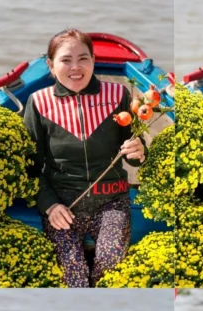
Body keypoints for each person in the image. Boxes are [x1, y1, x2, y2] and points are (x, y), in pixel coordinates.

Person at [23, 29, 146, 287]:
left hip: (112, 202)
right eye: (66, 60)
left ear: (93, 60)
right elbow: (30, 166)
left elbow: (134, 156)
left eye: (83, 59)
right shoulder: (38, 103)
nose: (75, 67)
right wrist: (49, 205)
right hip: (62, 207)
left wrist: (139, 151)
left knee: (110, 262)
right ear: (51, 66)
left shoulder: (119, 96)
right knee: (73, 276)